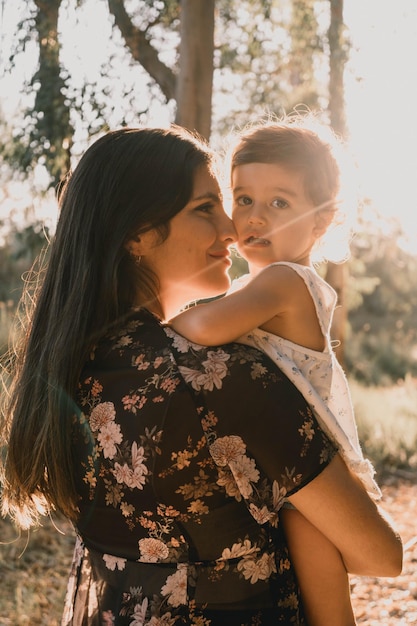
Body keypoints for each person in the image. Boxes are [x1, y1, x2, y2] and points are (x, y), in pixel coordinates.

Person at [0, 125, 402, 626]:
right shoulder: (219, 376)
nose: (235, 229)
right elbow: (380, 556)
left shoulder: (71, 366)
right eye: (208, 207)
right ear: (137, 234)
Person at [169, 118, 383, 625]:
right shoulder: (257, 283)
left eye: (279, 203)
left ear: (321, 222)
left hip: (310, 466)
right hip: (284, 459)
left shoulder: (285, 282)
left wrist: (151, 323)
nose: (254, 218)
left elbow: (205, 325)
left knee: (322, 586)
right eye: (242, 199)